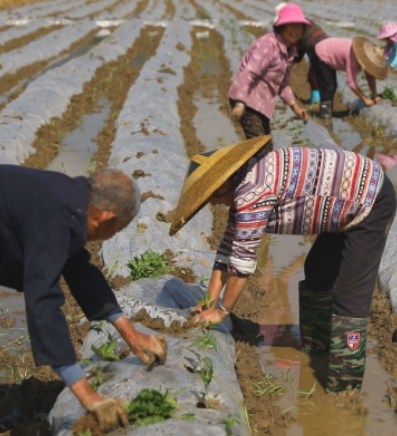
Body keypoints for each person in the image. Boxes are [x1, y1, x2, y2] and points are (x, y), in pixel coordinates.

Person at [0, 165, 167, 436]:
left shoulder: (67, 199)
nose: (113, 236)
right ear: (105, 217)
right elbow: (43, 303)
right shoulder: (53, 216)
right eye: (118, 228)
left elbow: (78, 269)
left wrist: (131, 332)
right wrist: (87, 395)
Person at [169, 136, 396, 393]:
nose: (215, 203)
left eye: (213, 197)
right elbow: (227, 250)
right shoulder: (241, 184)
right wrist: (208, 303)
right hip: (343, 201)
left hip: (370, 199)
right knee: (317, 271)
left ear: (224, 183)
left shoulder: (251, 191)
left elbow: (242, 264)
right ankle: (317, 346)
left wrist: (221, 312)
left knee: (350, 293)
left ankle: (346, 385)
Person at [229, 3, 308, 152]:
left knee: (266, 148)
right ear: (281, 26)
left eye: (299, 26)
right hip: (247, 100)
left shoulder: (290, 51)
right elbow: (248, 73)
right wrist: (240, 102)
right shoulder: (267, 46)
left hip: (262, 103)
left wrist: (295, 106)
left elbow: (283, 84)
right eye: (291, 25)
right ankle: (248, 173)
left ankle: (253, 172)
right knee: (259, 147)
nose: (295, 30)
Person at [311, 36, 389, 118]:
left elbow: (370, 77)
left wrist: (374, 95)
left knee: (332, 85)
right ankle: (325, 114)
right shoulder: (353, 57)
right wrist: (365, 99)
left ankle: (327, 112)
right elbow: (351, 82)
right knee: (329, 86)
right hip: (321, 53)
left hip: (329, 51)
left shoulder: (364, 56)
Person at [294, 18, 330, 104]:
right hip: (327, 45)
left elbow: (298, 52)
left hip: (318, 49)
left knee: (314, 77)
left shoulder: (296, 28)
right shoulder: (307, 23)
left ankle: (316, 102)